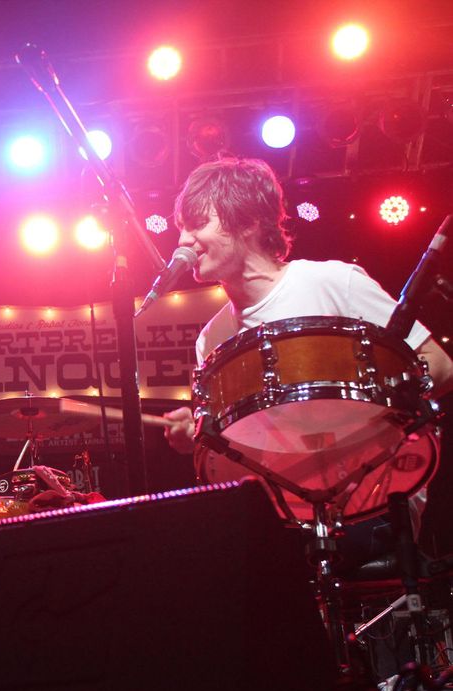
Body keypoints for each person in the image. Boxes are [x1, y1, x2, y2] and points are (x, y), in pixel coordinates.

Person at [162, 157, 453, 562]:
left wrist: (358, 422)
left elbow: (438, 365)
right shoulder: (212, 338)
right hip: (286, 514)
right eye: (181, 227)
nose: (184, 240)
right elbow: (239, 448)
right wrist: (198, 432)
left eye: (197, 224)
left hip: (372, 501)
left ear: (247, 222)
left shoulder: (333, 282)